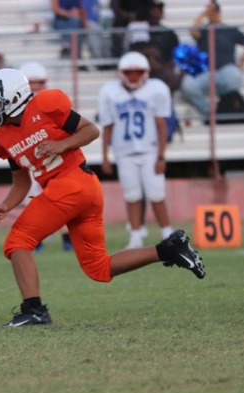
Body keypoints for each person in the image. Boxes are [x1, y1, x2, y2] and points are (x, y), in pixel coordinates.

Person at [0, 68, 206, 327]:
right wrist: (7, 204)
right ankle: (168, 249)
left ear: (15, 98)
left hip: (71, 182)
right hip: (80, 189)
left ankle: (34, 310)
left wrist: (62, 144)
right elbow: (21, 181)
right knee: (99, 268)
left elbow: (91, 130)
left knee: (17, 242)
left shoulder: (46, 105)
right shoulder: (1, 138)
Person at [98, 52, 175, 249]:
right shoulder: (110, 92)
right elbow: (107, 126)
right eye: (129, 72)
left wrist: (161, 156)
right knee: (131, 196)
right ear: (121, 73)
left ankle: (168, 233)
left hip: (150, 151)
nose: (133, 76)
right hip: (124, 153)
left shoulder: (156, 89)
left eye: (137, 72)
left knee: (156, 194)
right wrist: (105, 156)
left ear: (145, 73)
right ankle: (135, 237)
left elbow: (161, 125)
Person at [19, 60, 72, 252]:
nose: (34, 88)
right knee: (33, 198)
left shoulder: (53, 103)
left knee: (60, 196)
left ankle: (66, 237)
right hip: (31, 159)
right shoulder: (16, 108)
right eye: (30, 84)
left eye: (38, 83)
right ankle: (36, 238)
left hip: (55, 156)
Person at [180, 2, 244, 121]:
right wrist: (204, 14)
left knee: (234, 75)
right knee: (188, 85)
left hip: (226, 70)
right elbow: (193, 31)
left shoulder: (230, 30)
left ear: (218, 13)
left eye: (212, 11)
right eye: (208, 12)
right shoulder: (203, 30)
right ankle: (209, 113)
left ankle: (228, 111)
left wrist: (242, 62)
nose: (210, 14)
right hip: (206, 71)